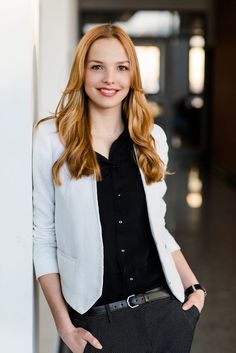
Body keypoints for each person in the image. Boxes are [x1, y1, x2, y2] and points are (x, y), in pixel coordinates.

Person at [32, 23, 206, 353]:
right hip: (97, 325)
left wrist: (195, 289)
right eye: (97, 67)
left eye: (121, 68)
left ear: (132, 76)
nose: (110, 79)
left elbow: (159, 228)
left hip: (165, 315)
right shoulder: (52, 139)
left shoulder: (151, 138)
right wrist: (65, 327)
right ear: (81, 72)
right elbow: (44, 237)